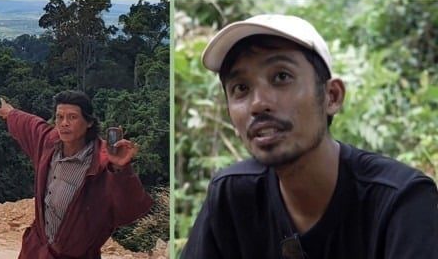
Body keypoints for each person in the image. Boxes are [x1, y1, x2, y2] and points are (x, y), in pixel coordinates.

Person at [181, 14, 438, 258]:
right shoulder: (233, 195)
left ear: (331, 96)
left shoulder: (400, 201)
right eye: (241, 88)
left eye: (281, 77)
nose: (258, 104)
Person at [0, 90, 153, 259]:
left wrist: (121, 169)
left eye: (72, 117)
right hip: (37, 251)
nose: (64, 123)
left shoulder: (102, 163)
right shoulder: (49, 143)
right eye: (59, 117)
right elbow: (30, 125)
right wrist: (10, 113)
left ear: (89, 122)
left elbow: (130, 210)